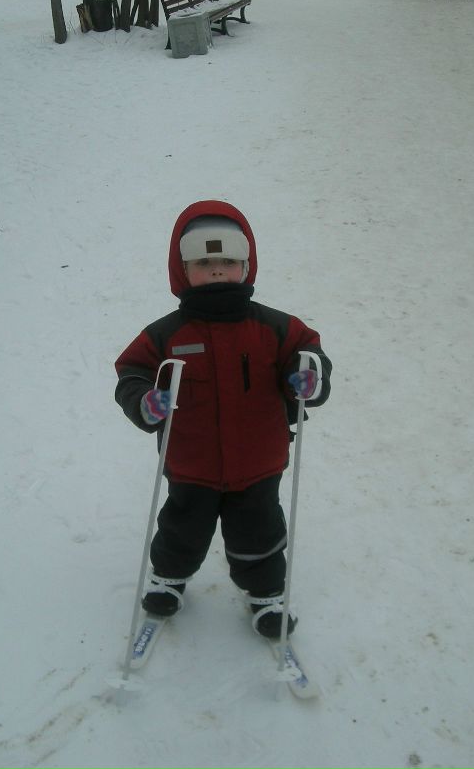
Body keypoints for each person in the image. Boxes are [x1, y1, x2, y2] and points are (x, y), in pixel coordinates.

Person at [115, 200, 332, 640]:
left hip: (258, 461)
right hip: (191, 463)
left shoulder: (276, 327)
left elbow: (310, 355)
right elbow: (132, 371)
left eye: (228, 262)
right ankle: (168, 579)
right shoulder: (165, 334)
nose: (217, 271)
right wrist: (144, 400)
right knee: (181, 529)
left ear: (246, 265)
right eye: (204, 262)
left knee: (259, 531)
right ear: (183, 270)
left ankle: (267, 592)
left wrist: (309, 377)